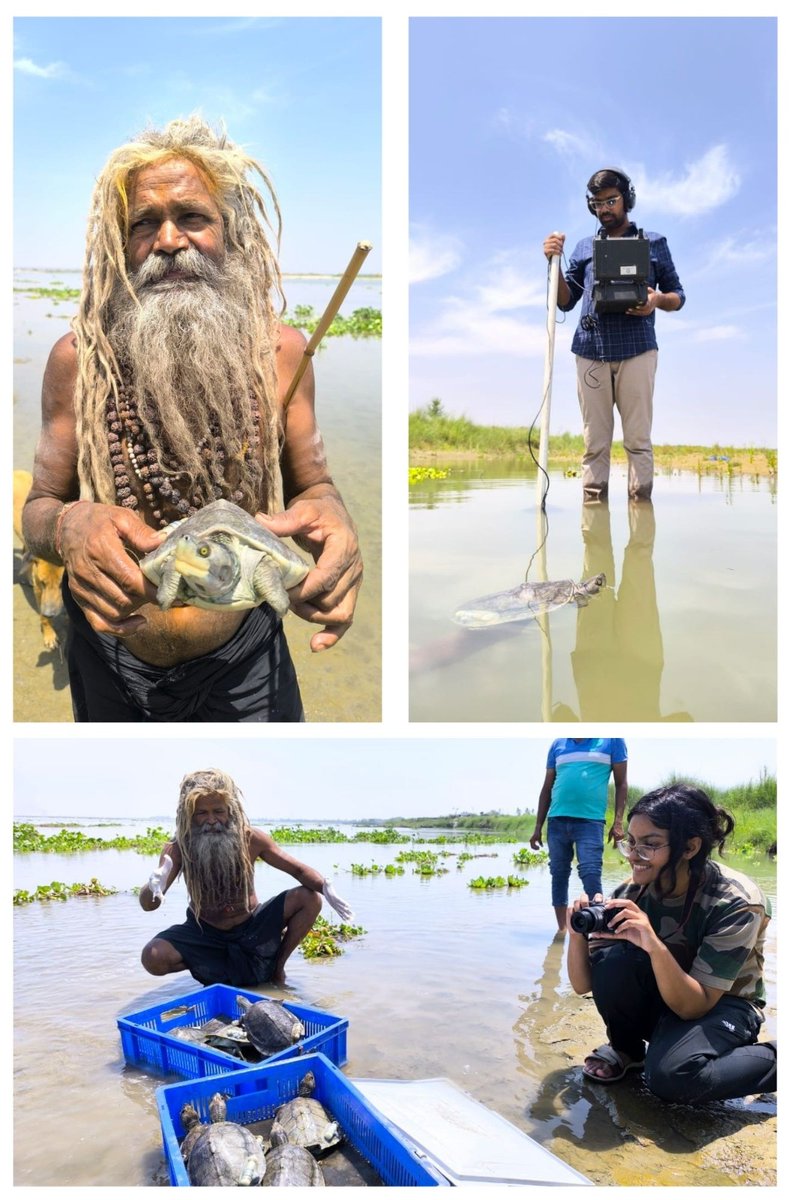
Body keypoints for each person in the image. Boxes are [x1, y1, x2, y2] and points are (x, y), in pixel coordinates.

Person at [22, 116, 362, 722]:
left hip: (246, 656)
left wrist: (335, 524)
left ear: (230, 232)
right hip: (110, 658)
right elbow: (39, 506)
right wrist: (71, 526)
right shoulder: (79, 361)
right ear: (116, 243)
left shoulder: (281, 355)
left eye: (193, 217)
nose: (170, 239)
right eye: (144, 223)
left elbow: (315, 486)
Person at [567, 784, 777, 1101]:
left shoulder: (736, 902)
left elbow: (696, 1005)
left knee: (673, 1076)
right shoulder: (629, 893)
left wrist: (652, 943)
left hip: (724, 1005)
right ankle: (628, 1051)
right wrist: (576, 935)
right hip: (671, 994)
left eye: (649, 846)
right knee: (614, 963)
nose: (634, 856)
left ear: (689, 848)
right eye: (631, 843)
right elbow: (585, 984)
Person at [542, 168, 685, 502]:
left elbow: (678, 295)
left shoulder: (655, 243)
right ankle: (593, 512)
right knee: (595, 441)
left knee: (637, 440)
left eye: (611, 200)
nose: (604, 209)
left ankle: (641, 506)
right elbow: (565, 301)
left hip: (638, 350)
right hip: (591, 351)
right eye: (597, 203)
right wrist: (554, 262)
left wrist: (656, 300)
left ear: (627, 200)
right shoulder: (583, 248)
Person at [139, 768, 354, 987]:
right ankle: (207, 963)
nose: (211, 820)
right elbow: (149, 906)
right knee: (152, 957)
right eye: (201, 813)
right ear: (189, 815)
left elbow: (298, 871)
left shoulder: (251, 838)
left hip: (251, 926)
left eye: (218, 811)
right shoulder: (178, 847)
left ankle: (277, 968)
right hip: (204, 931)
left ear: (230, 810)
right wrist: (155, 885)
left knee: (310, 898)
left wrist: (325, 887)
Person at [530, 738, 628, 933]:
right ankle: (562, 931)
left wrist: (618, 822)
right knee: (558, 874)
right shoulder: (558, 745)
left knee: (591, 873)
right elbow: (547, 787)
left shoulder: (612, 740)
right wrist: (538, 826)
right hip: (556, 820)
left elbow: (621, 784)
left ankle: (597, 930)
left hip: (590, 822)